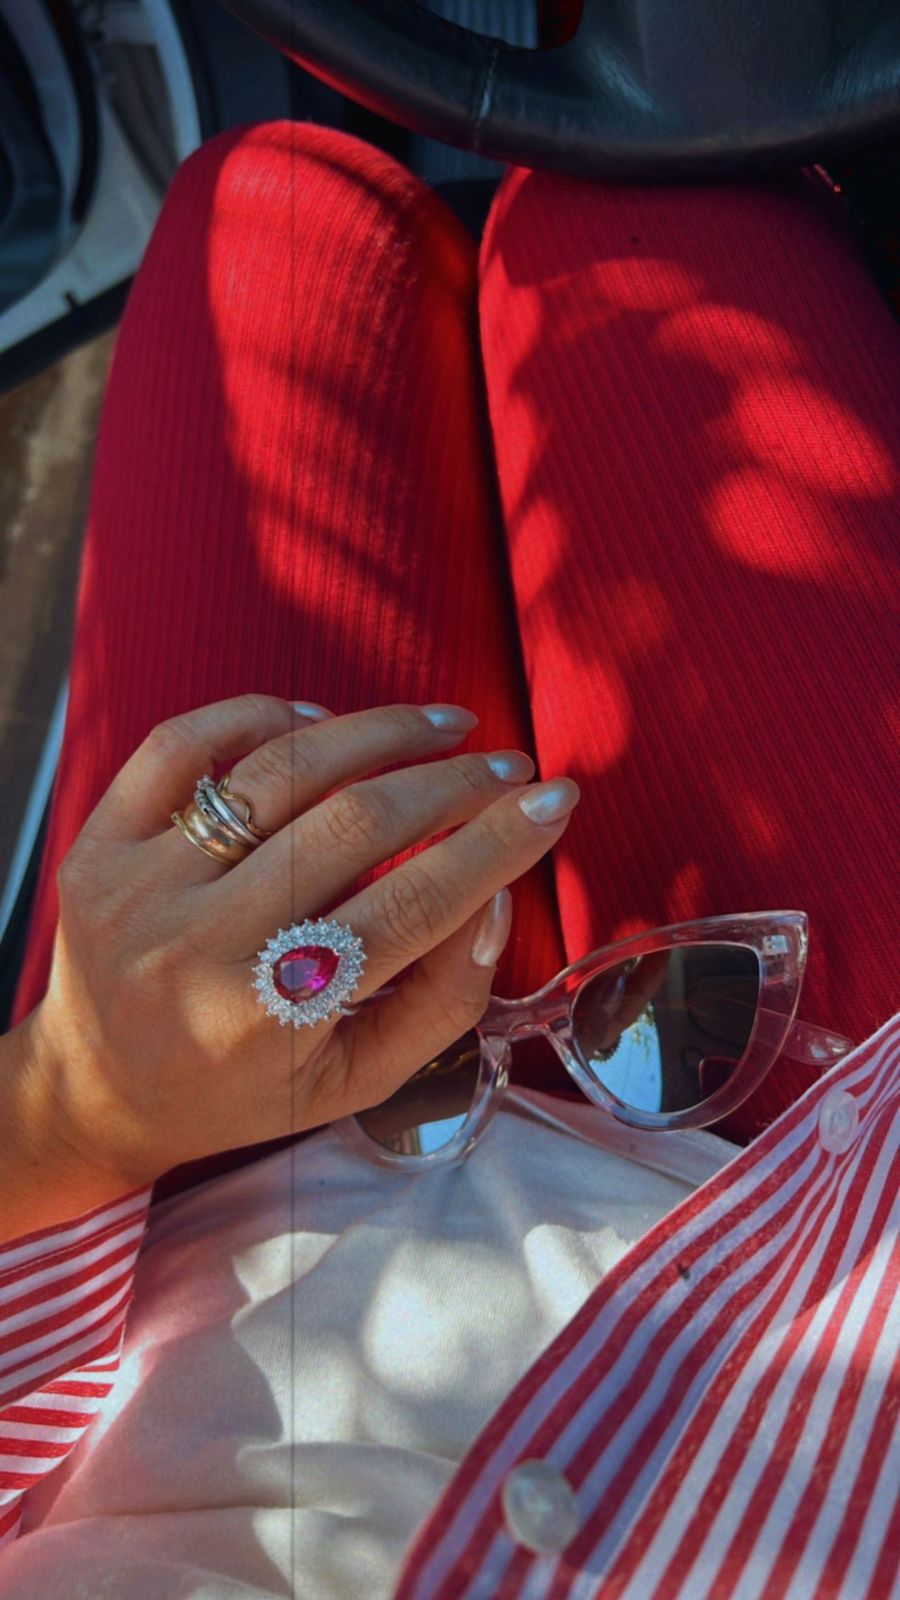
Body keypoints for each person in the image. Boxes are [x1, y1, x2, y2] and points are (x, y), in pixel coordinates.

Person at [0, 122, 897, 1598]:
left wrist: (70, 1106)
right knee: (644, 195)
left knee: (274, 207)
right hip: (842, 1187)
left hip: (180, 1168)